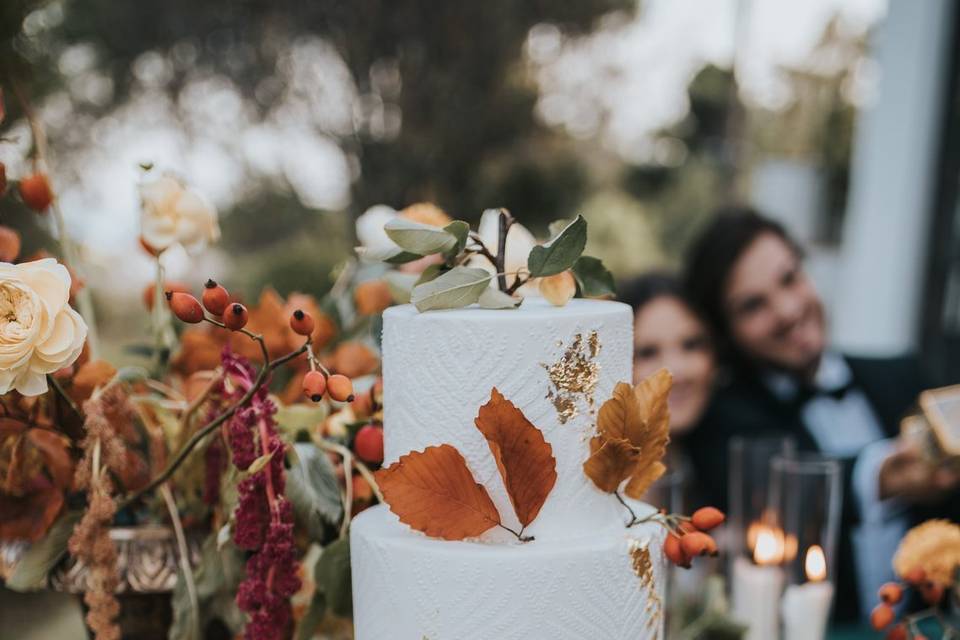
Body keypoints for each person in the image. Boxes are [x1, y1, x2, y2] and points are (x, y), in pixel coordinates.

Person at [683, 206, 960, 621]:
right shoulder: (721, 419)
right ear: (726, 331)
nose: (789, 310)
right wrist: (883, 476)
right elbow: (775, 485)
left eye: (790, 279)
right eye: (754, 305)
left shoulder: (903, 375)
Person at [620, 272, 717, 510]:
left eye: (691, 345)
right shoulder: (606, 491)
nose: (676, 372)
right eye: (647, 352)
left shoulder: (699, 462)